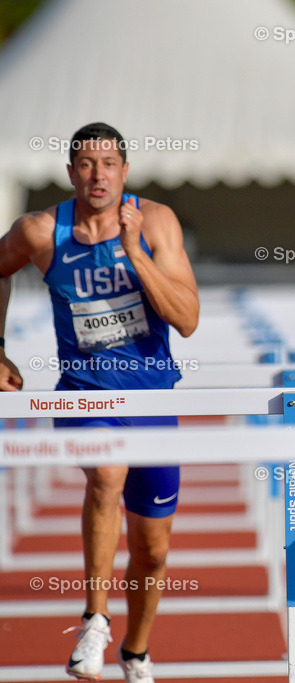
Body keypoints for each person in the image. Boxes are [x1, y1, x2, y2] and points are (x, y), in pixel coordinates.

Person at [0, 123, 199, 682]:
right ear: (70, 173)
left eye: (109, 163)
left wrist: (135, 253)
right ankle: (95, 618)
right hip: (84, 394)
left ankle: (135, 651)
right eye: (86, 164)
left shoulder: (155, 222)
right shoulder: (41, 231)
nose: (98, 175)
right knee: (106, 473)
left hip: (151, 399)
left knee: (153, 549)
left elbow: (187, 319)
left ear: (124, 171)